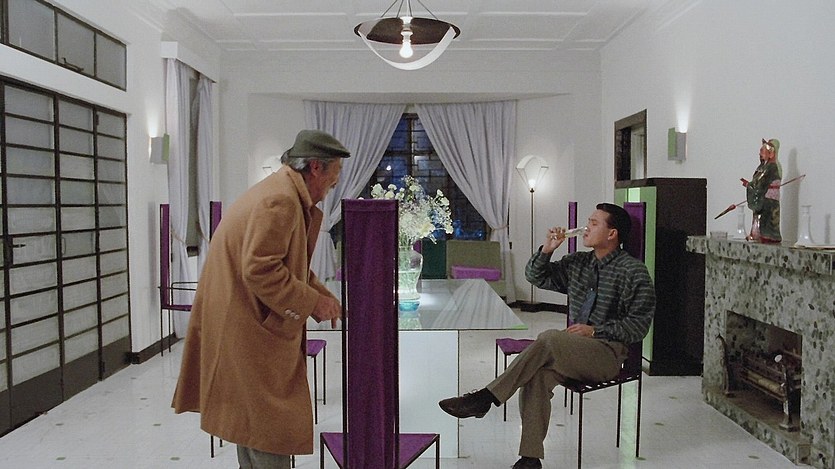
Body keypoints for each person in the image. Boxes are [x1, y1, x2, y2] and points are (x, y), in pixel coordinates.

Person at [172, 129, 350, 469]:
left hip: (241, 324)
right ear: (316, 167)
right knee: (269, 429)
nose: (335, 183)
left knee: (251, 426)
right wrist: (313, 303)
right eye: (335, 172)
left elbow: (289, 265)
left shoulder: (279, 191)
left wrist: (322, 296)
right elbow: (260, 269)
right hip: (247, 329)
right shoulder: (280, 200)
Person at [438, 203, 656, 469]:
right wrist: (547, 250)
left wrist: (595, 330)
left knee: (550, 338)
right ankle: (530, 459)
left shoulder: (633, 271)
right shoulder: (578, 263)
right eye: (587, 221)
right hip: (573, 349)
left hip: (607, 354)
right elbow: (535, 277)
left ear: (612, 234)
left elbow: (639, 326)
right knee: (538, 377)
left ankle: (486, 398)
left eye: (594, 223)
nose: (586, 227)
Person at [741, 138, 782, 243]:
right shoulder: (762, 167)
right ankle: (756, 234)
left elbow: (761, 181)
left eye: (762, 152)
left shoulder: (772, 167)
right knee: (758, 216)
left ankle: (768, 235)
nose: (760, 154)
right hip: (762, 196)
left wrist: (749, 185)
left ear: (771, 153)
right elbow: (757, 181)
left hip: (768, 198)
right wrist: (751, 185)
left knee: (768, 218)